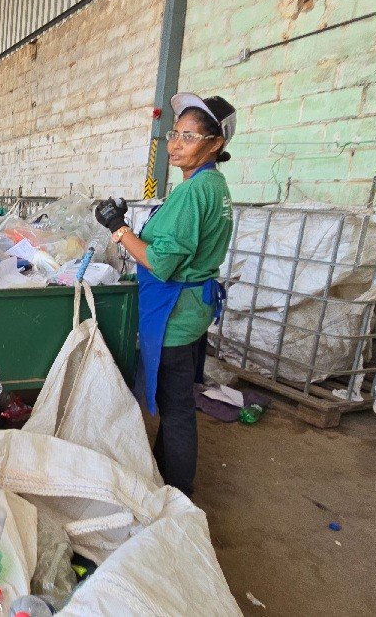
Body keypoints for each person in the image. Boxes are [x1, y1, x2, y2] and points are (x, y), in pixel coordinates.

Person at [94, 93, 235, 497]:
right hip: (192, 309)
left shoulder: (194, 192)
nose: (174, 144)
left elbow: (161, 261)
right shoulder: (213, 186)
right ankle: (166, 473)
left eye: (188, 137)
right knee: (178, 402)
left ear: (215, 143)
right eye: (174, 133)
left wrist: (119, 229)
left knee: (176, 410)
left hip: (174, 311)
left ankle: (177, 492)